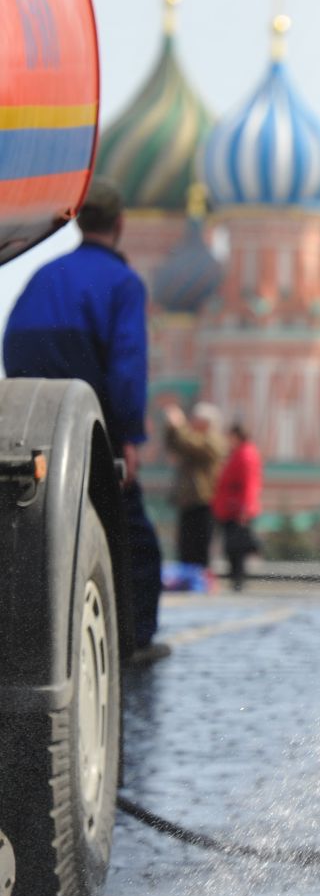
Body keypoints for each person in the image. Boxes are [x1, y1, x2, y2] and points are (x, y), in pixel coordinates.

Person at [2, 177, 166, 662]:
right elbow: (127, 366)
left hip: (32, 411)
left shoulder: (44, 275)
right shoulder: (123, 282)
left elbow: (14, 341)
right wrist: (128, 436)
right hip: (90, 407)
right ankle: (134, 641)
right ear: (120, 225)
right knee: (133, 537)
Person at [163, 401, 227, 573]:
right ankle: (187, 579)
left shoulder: (213, 441)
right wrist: (172, 428)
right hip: (189, 501)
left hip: (204, 501)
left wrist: (180, 425)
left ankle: (200, 580)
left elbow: (191, 444)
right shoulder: (193, 437)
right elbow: (177, 444)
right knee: (185, 547)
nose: (192, 422)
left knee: (199, 548)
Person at [212, 422, 263, 590]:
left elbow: (249, 484)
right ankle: (236, 578)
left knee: (236, 547)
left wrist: (245, 509)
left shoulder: (245, 454)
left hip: (237, 509)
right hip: (229, 507)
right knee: (232, 546)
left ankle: (238, 579)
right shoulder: (238, 453)